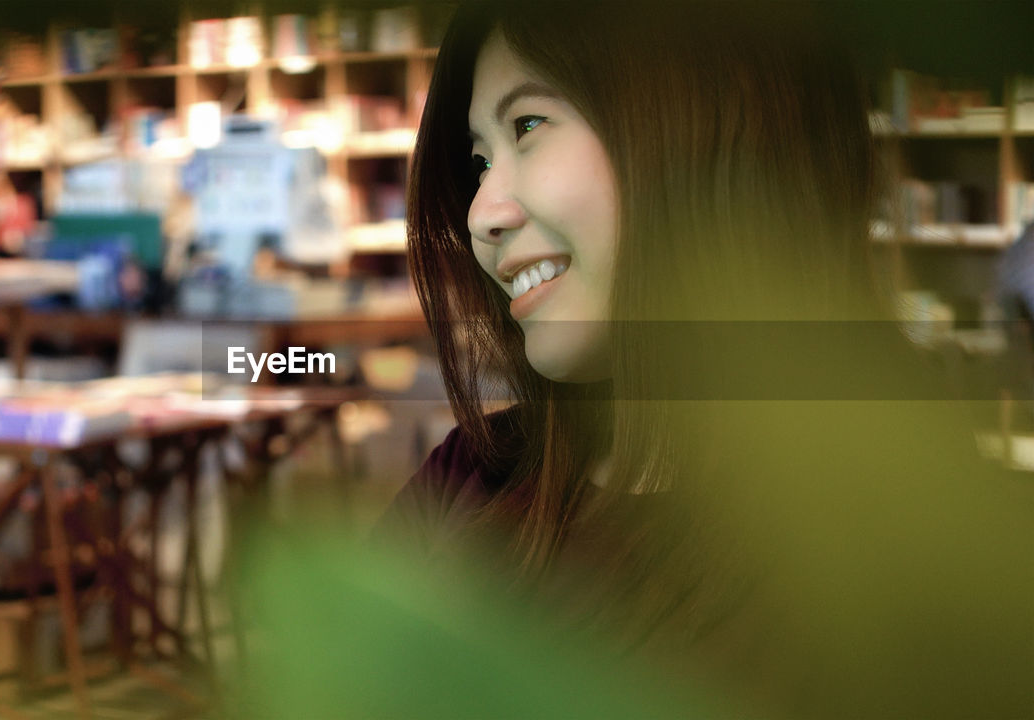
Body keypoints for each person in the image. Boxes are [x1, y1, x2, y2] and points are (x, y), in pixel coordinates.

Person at [366, 1, 1033, 718]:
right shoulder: (469, 480)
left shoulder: (942, 566)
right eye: (478, 161)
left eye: (528, 125)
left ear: (711, 127)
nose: (481, 213)